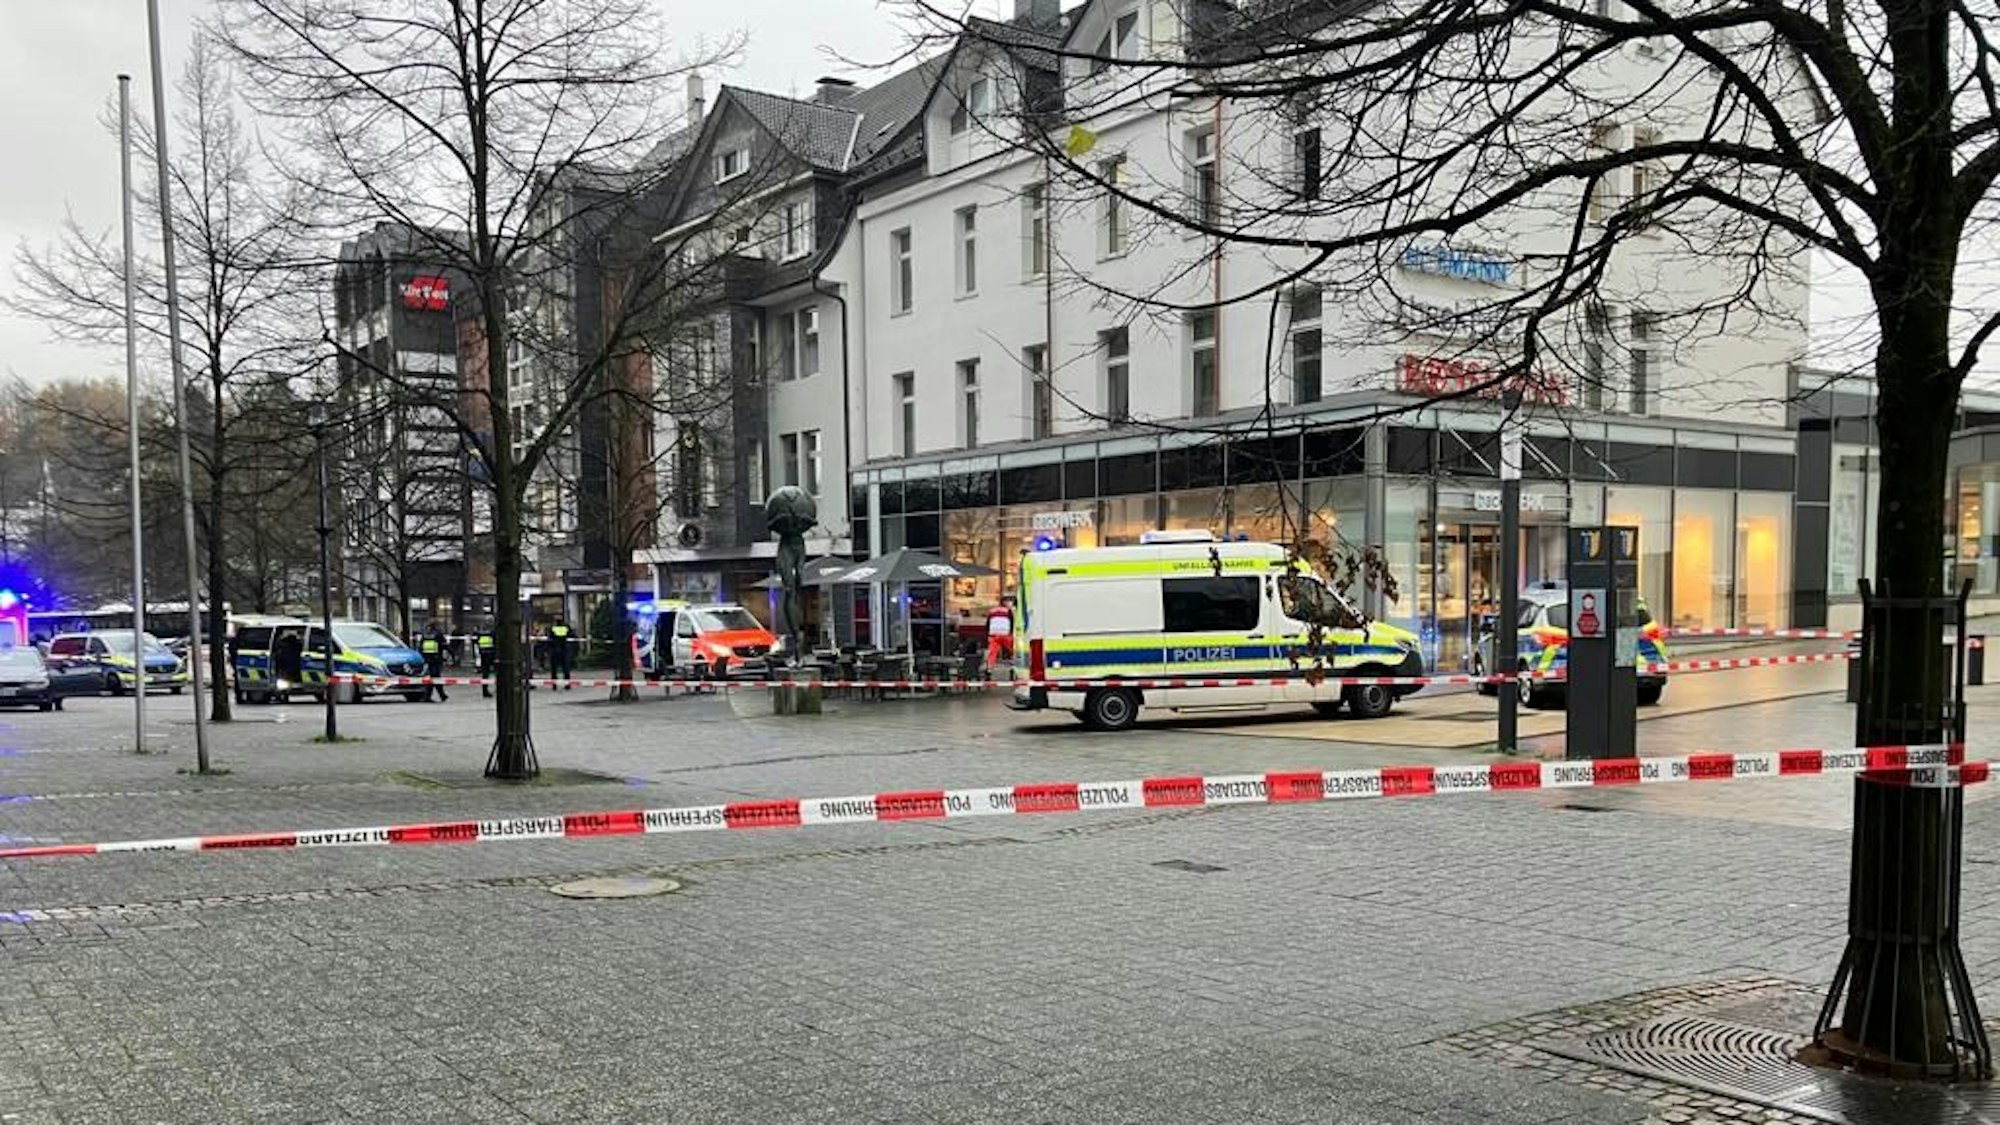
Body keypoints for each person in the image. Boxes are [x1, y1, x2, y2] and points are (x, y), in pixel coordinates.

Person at [984, 596, 1015, 679]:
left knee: (992, 653)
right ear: (1004, 602)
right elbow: (1012, 623)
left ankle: (989, 669)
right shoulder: (1008, 611)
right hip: (1005, 634)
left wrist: (988, 635)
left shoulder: (992, 610)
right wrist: (1011, 633)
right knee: (1013, 651)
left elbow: (987, 624)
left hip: (993, 634)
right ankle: (1013, 668)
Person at [419, 622, 449, 702]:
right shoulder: (438, 634)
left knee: (434, 676)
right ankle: (428, 696)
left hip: (426, 658)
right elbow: (444, 645)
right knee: (434, 677)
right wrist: (450, 654)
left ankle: (441, 695)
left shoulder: (424, 634)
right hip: (436, 658)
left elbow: (420, 647)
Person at [546, 616, 573, 688]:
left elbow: (549, 640)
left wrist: (548, 650)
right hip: (564, 650)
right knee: (566, 669)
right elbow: (571, 636)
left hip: (554, 650)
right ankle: (567, 684)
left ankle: (554, 685)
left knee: (554, 669)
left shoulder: (553, 629)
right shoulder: (566, 628)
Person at [475, 621, 496, 698]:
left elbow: (477, 642)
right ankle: (499, 688)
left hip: (483, 654)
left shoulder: (480, 633)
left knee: (485, 673)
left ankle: (485, 691)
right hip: (491, 654)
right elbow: (495, 642)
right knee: (498, 672)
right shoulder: (492, 632)